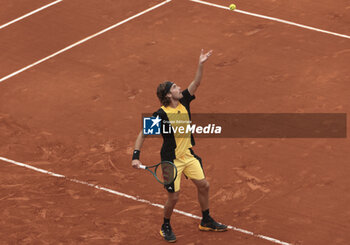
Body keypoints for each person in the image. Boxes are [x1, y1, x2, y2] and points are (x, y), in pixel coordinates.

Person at [131, 49, 227, 243]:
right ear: (168, 94)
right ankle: (165, 225)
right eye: (175, 87)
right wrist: (135, 155)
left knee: (204, 185)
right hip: (170, 161)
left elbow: (196, 83)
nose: (179, 87)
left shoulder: (184, 102)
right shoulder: (161, 115)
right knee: (174, 197)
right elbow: (143, 133)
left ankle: (206, 219)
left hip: (188, 155)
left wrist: (200, 63)